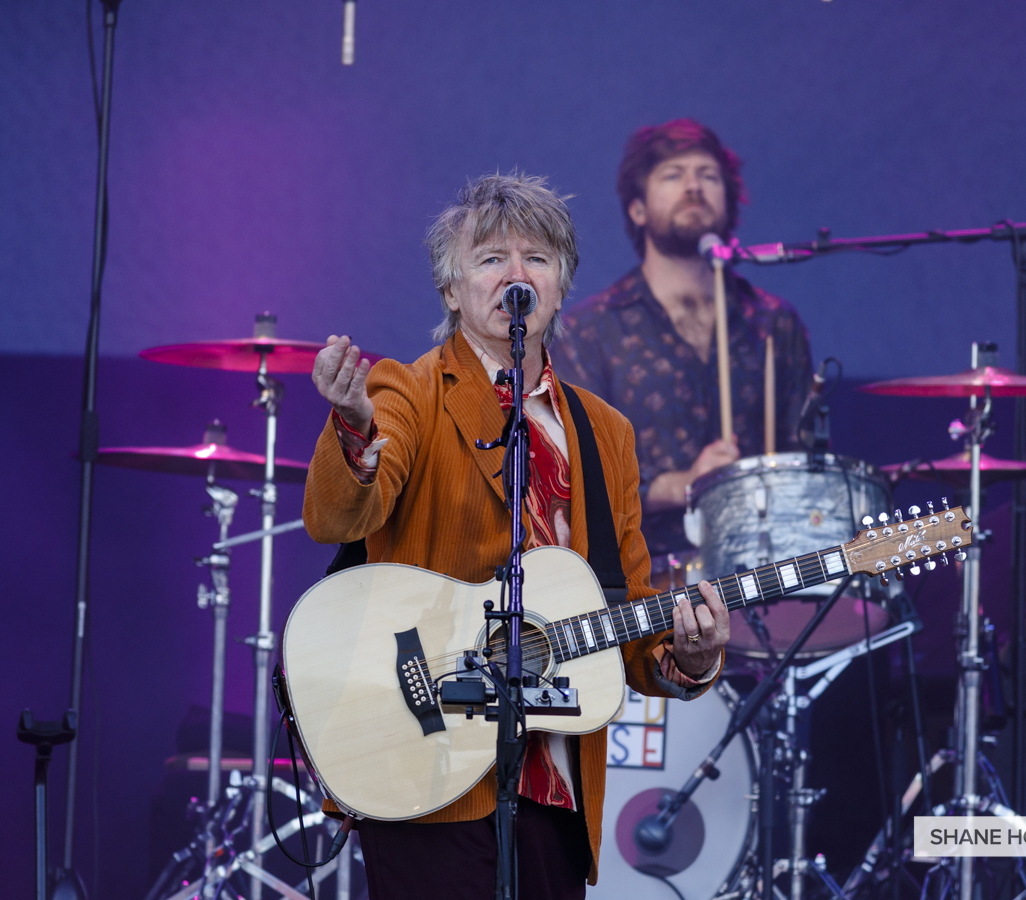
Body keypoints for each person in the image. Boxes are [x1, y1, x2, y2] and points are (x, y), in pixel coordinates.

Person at [302, 172, 730, 900]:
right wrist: (352, 426)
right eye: (491, 258)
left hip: (555, 784)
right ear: (451, 290)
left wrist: (687, 657)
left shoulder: (606, 433)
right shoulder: (407, 391)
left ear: (561, 287)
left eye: (536, 257)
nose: (516, 275)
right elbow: (339, 519)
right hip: (424, 756)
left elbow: (629, 619)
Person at [553, 119, 815, 569]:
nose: (694, 186)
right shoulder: (590, 331)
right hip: (643, 583)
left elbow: (807, 464)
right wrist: (685, 484)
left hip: (763, 571)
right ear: (637, 209)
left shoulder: (774, 322)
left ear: (729, 205)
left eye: (708, 176)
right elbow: (575, 480)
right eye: (673, 175)